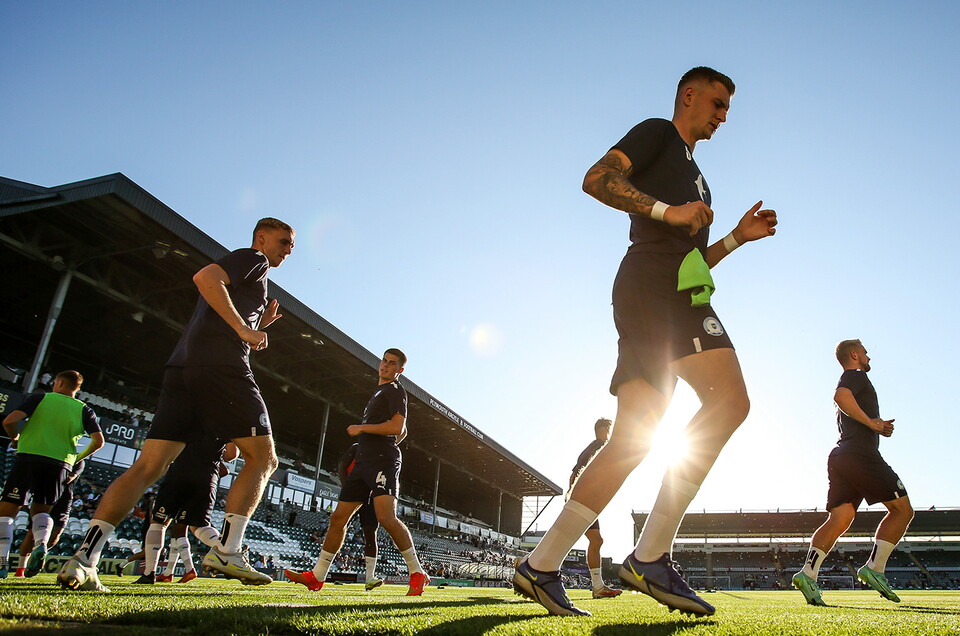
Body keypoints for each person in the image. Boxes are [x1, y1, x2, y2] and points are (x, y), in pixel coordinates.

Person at [513, 66, 777, 617]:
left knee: (632, 438)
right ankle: (651, 556)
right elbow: (595, 178)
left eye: (727, 108)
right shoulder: (658, 132)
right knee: (730, 402)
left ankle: (540, 565)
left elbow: (694, 262)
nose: (723, 115)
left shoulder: (702, 180)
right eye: (717, 102)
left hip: (671, 289)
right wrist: (664, 210)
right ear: (688, 95)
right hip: (652, 288)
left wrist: (735, 238)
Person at [59, 217, 294, 592]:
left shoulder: (254, 280)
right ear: (262, 238)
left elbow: (223, 308)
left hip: (184, 367)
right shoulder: (253, 258)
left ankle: (84, 559)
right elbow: (205, 278)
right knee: (264, 460)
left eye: (291, 247)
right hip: (221, 367)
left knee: (149, 466)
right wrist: (243, 330)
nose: (287, 251)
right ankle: (228, 550)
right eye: (283, 242)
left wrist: (255, 321)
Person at [285, 349, 430, 596]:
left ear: (400, 370)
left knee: (386, 517)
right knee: (337, 518)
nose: (385, 365)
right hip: (363, 463)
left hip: (382, 460)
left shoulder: (395, 390)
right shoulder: (379, 391)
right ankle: (317, 576)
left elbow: (398, 427)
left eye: (392, 363)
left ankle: (417, 572)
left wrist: (364, 429)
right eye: (384, 360)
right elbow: (400, 433)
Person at [792, 340, 913, 606]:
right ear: (855, 355)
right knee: (903, 510)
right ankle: (875, 568)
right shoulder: (855, 376)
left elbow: (845, 403)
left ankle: (807, 574)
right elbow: (841, 397)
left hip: (841, 455)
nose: (869, 357)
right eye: (866, 352)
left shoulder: (853, 379)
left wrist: (876, 426)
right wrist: (872, 423)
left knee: (840, 518)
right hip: (860, 455)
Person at [0, 370, 104, 578]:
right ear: (77, 388)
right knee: (41, 512)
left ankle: (2, 561)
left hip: (29, 457)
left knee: (7, 513)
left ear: (59, 382)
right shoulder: (85, 409)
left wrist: (15, 438)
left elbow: (9, 421)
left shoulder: (41, 398)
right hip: (59, 465)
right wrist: (76, 457)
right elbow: (99, 442)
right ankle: (41, 543)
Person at [134, 438, 238, 584]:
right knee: (195, 527)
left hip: (179, 474)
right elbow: (231, 455)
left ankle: (149, 573)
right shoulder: (225, 422)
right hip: (205, 479)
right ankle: (229, 552)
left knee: (159, 523)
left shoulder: (185, 417)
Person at [569, 418, 621, 599]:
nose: (611, 433)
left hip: (586, 498)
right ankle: (598, 587)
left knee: (595, 540)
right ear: (603, 429)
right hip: (582, 499)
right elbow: (576, 471)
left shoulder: (599, 447)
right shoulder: (597, 446)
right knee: (593, 539)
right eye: (610, 429)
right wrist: (572, 495)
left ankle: (598, 586)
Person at [13, 459, 86, 577]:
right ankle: (20, 569)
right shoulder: (52, 456)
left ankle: (39, 552)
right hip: (46, 494)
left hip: (64, 499)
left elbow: (70, 478)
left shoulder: (79, 460)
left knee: (56, 535)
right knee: (32, 532)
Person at [336, 442, 385, 591]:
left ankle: (370, 577)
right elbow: (342, 466)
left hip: (371, 497)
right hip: (353, 493)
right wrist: (347, 488)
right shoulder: (358, 447)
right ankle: (320, 572)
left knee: (371, 534)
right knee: (337, 526)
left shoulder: (386, 454)